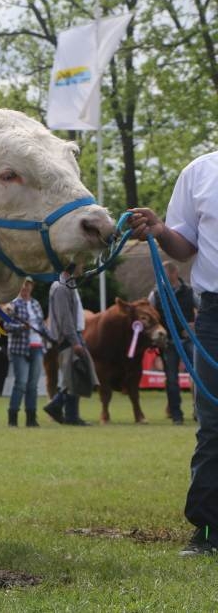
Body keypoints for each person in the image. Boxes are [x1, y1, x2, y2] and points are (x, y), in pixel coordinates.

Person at [129, 149, 218, 556]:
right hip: (214, 313)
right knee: (212, 423)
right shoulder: (199, 172)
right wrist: (161, 229)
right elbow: (184, 248)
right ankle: (207, 531)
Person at [43, 262, 97, 425]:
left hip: (75, 335)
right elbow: (65, 318)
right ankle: (60, 408)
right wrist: (75, 341)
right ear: (72, 267)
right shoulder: (60, 288)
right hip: (68, 337)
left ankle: (65, 410)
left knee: (75, 375)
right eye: (80, 265)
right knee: (72, 375)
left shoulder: (69, 284)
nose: (83, 267)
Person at [149, 261, 196, 425]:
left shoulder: (190, 291)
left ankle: (199, 411)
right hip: (168, 342)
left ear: (174, 273)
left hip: (189, 340)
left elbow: (204, 310)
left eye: (165, 274)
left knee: (197, 377)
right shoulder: (156, 294)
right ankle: (176, 415)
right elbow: (150, 316)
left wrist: (194, 324)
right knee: (171, 380)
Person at [4, 277, 46, 427]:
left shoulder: (36, 304)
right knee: (21, 383)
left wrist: (49, 337)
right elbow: (7, 327)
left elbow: (41, 325)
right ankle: (13, 418)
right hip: (19, 348)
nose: (25, 287)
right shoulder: (13, 305)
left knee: (33, 385)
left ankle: (31, 418)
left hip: (37, 346)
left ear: (32, 286)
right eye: (23, 284)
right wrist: (22, 327)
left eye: (28, 284)